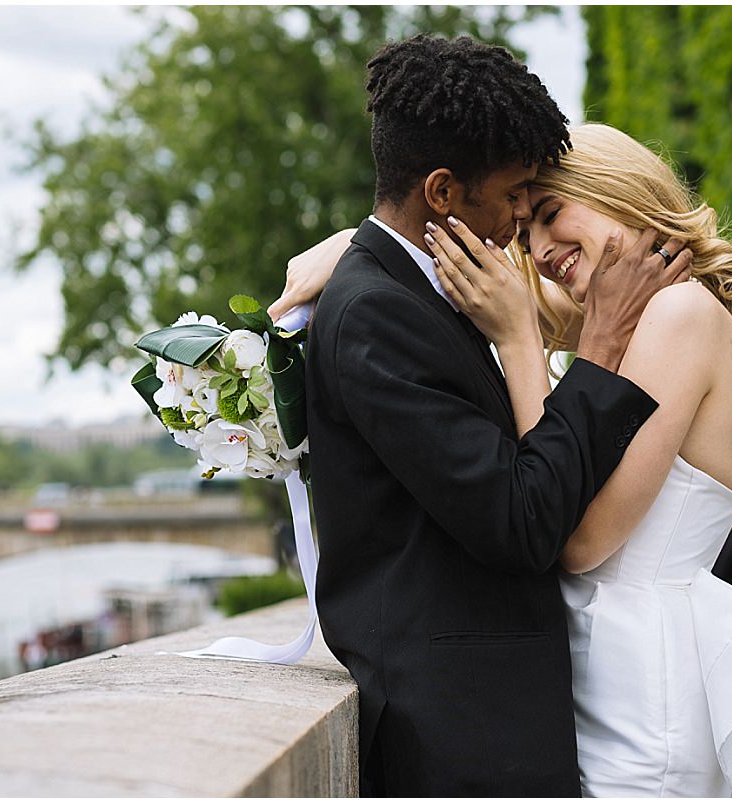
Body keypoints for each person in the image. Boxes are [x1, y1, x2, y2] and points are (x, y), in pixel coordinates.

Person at [277, 120, 732, 796]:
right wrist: (361, 242)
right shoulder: (624, 316)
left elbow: (580, 537)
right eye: (527, 229)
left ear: (616, 188)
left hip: (647, 695)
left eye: (553, 212)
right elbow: (478, 279)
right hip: (605, 678)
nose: (539, 247)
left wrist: (522, 347)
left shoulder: (679, 314)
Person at [293, 35, 693, 796]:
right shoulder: (377, 312)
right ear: (441, 193)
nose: (519, 226)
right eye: (514, 196)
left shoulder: (416, 284)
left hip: (487, 720)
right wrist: (601, 347)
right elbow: (520, 518)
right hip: (456, 737)